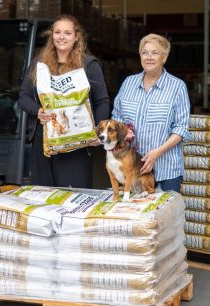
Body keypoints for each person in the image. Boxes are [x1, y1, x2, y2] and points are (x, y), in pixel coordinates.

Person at [19, 14, 109, 188]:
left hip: (78, 142)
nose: (61, 37)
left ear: (76, 37)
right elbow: (24, 96)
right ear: (52, 35)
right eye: (57, 32)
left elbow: (102, 101)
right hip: (45, 141)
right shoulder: (39, 64)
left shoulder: (89, 65)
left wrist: (97, 130)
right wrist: (37, 111)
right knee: (44, 196)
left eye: (67, 33)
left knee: (73, 197)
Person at [111, 33, 191, 193]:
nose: (149, 57)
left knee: (164, 216)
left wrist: (157, 153)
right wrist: (122, 135)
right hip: (132, 168)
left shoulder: (177, 87)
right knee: (134, 215)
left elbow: (181, 128)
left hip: (165, 169)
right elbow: (116, 118)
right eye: (144, 52)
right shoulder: (128, 83)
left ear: (164, 58)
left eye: (155, 53)